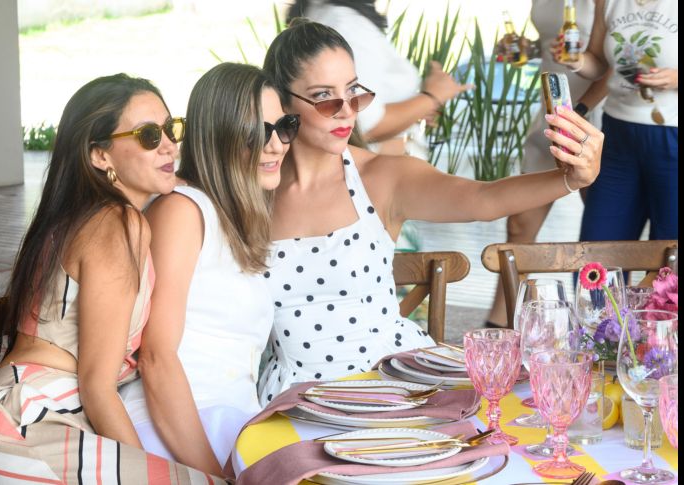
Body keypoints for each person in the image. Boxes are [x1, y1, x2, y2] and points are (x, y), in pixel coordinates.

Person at [257, 18, 604, 403]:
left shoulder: (382, 178)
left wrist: (571, 180)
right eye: (324, 96)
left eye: (353, 91)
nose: (346, 111)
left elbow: (483, 200)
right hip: (293, 398)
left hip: (392, 388)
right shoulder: (251, 189)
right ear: (281, 102)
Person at [0, 73, 227, 483]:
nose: (170, 145)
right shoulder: (118, 224)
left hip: (10, 422)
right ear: (100, 156)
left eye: (172, 128)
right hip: (31, 429)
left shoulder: (83, 214)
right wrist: (150, 472)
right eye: (149, 135)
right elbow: (97, 387)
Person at [119, 63, 296, 475]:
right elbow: (157, 357)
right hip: (181, 433)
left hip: (230, 422)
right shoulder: (184, 212)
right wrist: (212, 473)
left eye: (284, 126)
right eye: (257, 133)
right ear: (220, 138)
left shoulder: (231, 217)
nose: (276, 145)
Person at [484, 0, 611, 329]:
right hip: (552, 114)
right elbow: (551, 45)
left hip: (591, 116)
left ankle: (603, 328)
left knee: (601, 232)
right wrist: (526, 48)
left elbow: (614, 64)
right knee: (519, 224)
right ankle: (503, 322)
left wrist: (578, 113)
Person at [552, 0, 677, 262]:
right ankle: (601, 306)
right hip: (617, 136)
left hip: (672, 138)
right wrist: (575, 59)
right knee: (598, 254)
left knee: (671, 258)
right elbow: (598, 63)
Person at [284, 0, 470, 156]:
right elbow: (363, 124)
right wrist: (432, 97)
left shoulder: (328, 14)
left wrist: (416, 108)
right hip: (385, 177)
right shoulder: (348, 25)